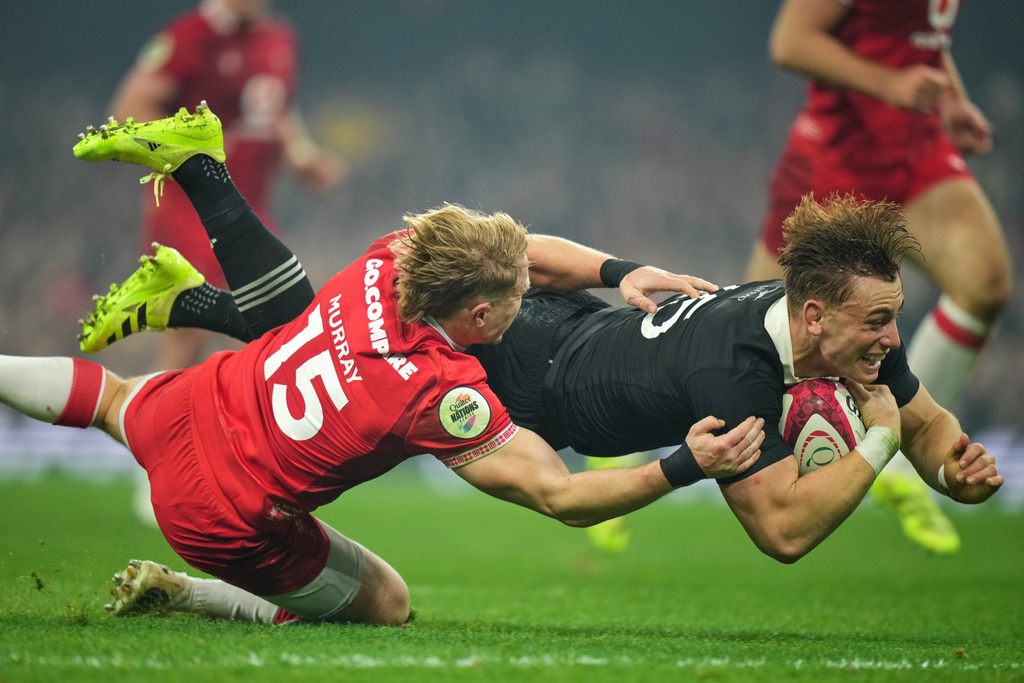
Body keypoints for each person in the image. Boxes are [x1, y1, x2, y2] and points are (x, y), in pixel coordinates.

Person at [0, 105, 765, 626]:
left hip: (192, 404)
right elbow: (560, 494)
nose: (530, 297)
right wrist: (683, 465)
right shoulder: (442, 391)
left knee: (120, 396)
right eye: (515, 299)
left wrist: (617, 271)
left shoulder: (387, 260)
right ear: (476, 317)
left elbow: (520, 255)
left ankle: (189, 251)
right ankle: (191, 592)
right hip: (220, 516)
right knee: (389, 601)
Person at [98, 177, 1004, 567]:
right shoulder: (739, 375)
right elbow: (783, 531)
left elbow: (924, 417)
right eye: (881, 321)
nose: (894, 339)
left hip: (560, 321)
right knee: (323, 339)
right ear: (817, 315)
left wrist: (956, 464)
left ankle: (195, 297)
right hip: (522, 373)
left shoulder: (822, 329)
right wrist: (880, 438)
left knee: (325, 328)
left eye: (892, 321)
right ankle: (199, 268)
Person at [744, 0, 1012, 554]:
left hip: (914, 147)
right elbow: (792, 41)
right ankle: (625, 443)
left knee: (985, 282)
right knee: (751, 339)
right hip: (837, 156)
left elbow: (920, 33)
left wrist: (952, 101)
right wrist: (888, 85)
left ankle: (903, 464)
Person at [104, 0, 344, 527]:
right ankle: (157, 471)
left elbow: (278, 110)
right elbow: (131, 105)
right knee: (189, 332)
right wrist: (183, 154)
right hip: (193, 209)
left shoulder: (280, 37)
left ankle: (239, 466)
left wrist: (302, 156)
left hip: (253, 207)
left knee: (275, 330)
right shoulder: (190, 35)